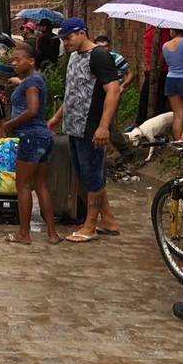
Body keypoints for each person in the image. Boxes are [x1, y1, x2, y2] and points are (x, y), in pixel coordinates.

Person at [47, 18, 122, 242]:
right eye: (63, 39)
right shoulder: (74, 57)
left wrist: (103, 127)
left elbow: (114, 91)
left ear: (82, 33)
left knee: (92, 176)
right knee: (86, 175)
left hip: (92, 127)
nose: (65, 43)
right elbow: (74, 91)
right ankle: (107, 220)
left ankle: (90, 226)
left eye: (68, 38)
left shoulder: (99, 56)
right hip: (74, 126)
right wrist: (57, 116)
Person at [3, 45, 61, 245]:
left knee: (24, 186)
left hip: (30, 137)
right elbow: (30, 89)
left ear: (32, 61)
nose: (14, 63)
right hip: (43, 138)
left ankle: (24, 234)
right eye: (13, 60)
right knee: (41, 185)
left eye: (18, 59)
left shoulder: (32, 81)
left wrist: (10, 124)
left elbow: (32, 109)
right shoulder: (33, 80)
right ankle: (52, 234)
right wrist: (19, 83)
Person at [93, 35, 136, 157]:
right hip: (96, 94)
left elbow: (130, 74)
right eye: (100, 47)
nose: (104, 49)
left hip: (112, 94)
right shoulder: (92, 59)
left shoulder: (116, 58)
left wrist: (123, 86)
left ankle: (126, 151)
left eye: (106, 46)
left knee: (109, 123)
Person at [161, 29, 183, 141]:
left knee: (178, 114)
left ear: (173, 31)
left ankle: (177, 142)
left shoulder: (165, 46)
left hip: (171, 80)